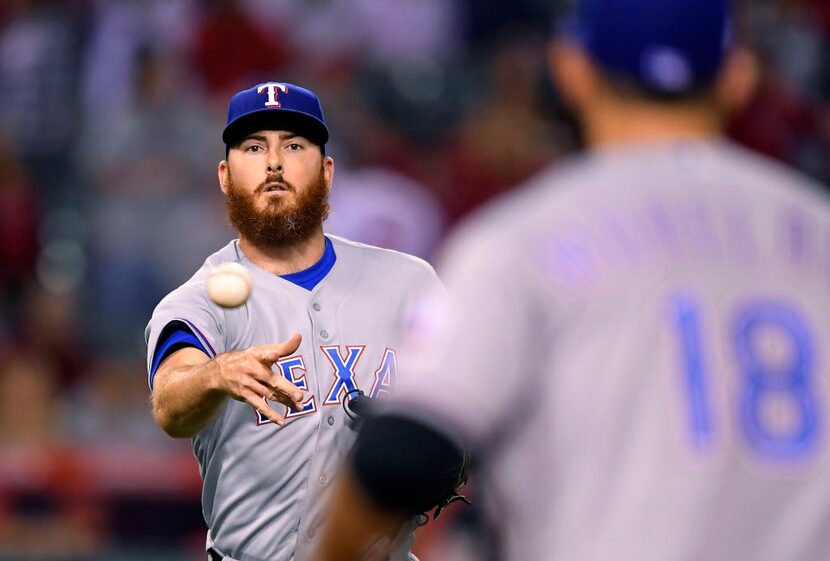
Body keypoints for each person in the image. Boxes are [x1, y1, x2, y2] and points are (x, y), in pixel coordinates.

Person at [315, 0, 830, 560]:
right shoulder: (818, 228)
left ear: (571, 69)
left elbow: (401, 456)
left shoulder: (525, 237)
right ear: (737, 76)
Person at [145, 81, 440, 561]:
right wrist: (215, 373)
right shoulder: (197, 302)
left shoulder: (410, 282)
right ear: (225, 174)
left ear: (326, 171)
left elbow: (468, 400)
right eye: (254, 146)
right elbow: (170, 404)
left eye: (294, 145)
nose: (274, 162)